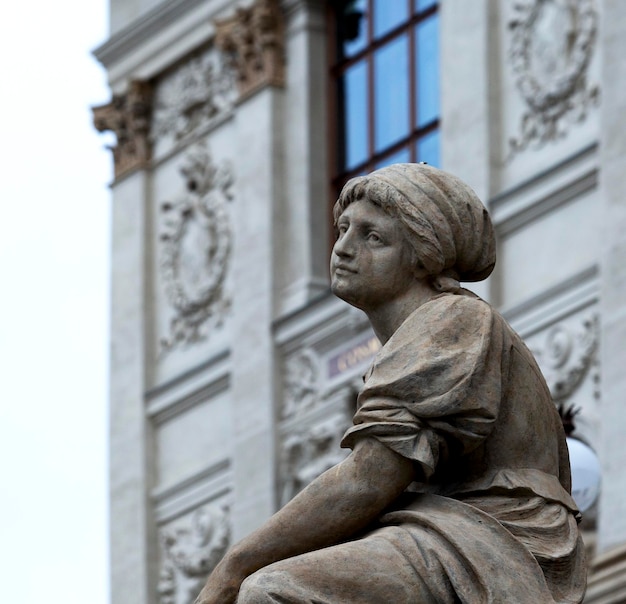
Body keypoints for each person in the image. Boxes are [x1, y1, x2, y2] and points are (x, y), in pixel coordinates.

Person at [195, 163, 587, 603]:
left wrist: (234, 565)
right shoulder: (418, 336)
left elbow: (370, 479)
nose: (343, 248)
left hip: (491, 539)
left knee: (272, 592)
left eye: (373, 237)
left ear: (423, 255)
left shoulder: (453, 320)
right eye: (343, 229)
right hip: (443, 529)